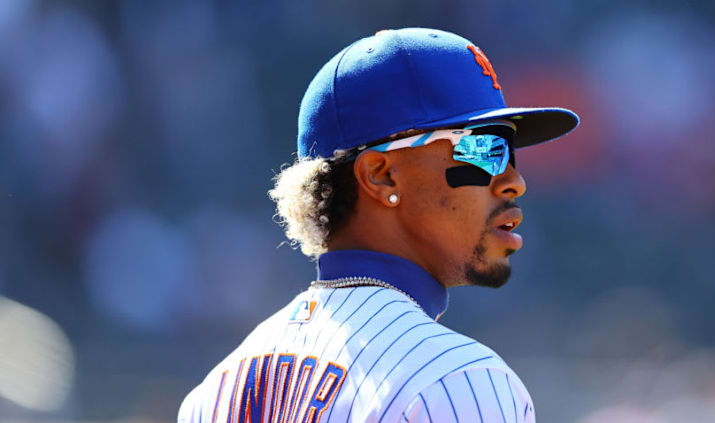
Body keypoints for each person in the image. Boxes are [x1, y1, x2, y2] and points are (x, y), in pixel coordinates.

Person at [178, 27, 578, 423]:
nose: (513, 180)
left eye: (510, 153)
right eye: (484, 148)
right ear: (382, 175)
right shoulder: (455, 379)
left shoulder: (215, 390)